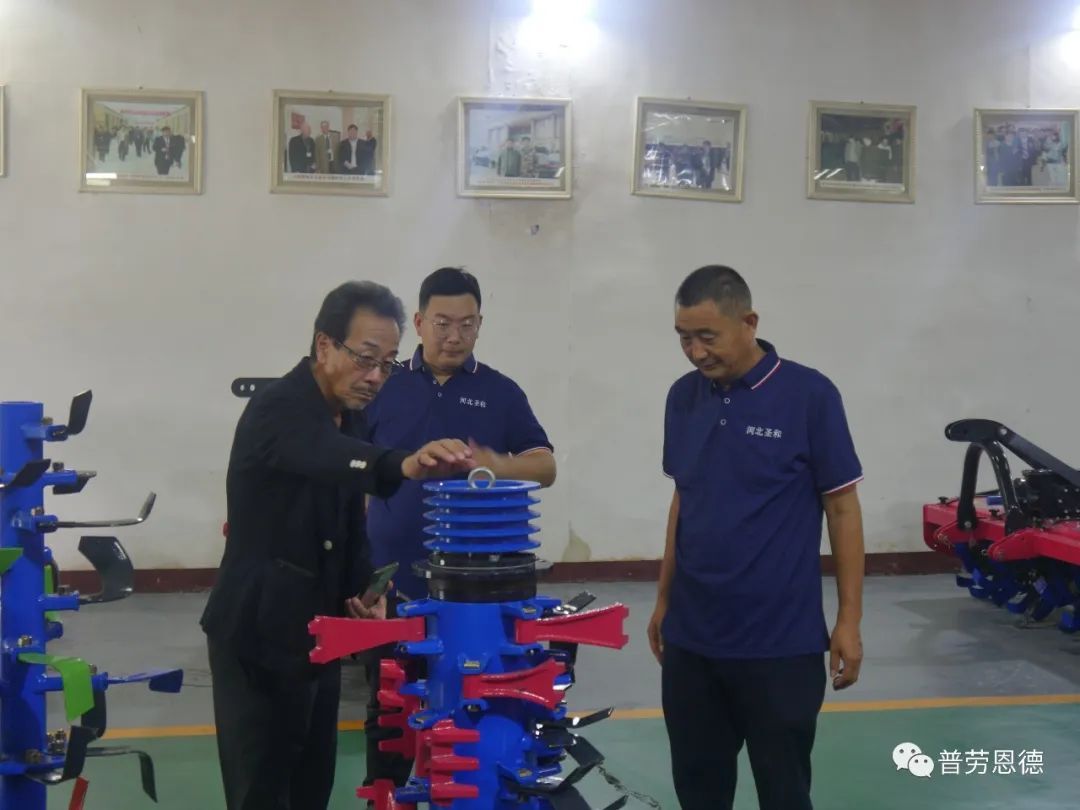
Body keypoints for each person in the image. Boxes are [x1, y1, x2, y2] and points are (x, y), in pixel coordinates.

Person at [199, 280, 478, 810]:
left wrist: (363, 589)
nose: (375, 377)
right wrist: (403, 462)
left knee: (311, 787)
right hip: (258, 634)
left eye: (387, 364)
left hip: (318, 634)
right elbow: (328, 456)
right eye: (365, 359)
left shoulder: (348, 414)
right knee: (263, 793)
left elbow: (348, 517)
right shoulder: (278, 409)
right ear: (324, 344)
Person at [648, 265, 865, 810]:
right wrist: (665, 599)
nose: (695, 352)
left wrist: (849, 620)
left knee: (784, 792)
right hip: (693, 642)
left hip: (780, 645)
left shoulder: (809, 395)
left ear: (749, 323)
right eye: (683, 338)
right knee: (699, 791)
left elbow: (842, 509)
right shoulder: (683, 397)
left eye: (707, 336)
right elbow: (683, 501)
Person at [361, 266, 556, 789]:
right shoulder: (384, 385)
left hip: (475, 597)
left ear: (480, 325)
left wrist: (494, 463)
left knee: (472, 705)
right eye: (443, 323)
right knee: (390, 708)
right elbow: (354, 472)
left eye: (467, 325)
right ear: (419, 323)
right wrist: (360, 574)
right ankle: (385, 796)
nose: (454, 336)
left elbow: (545, 466)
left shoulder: (500, 391)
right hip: (393, 582)